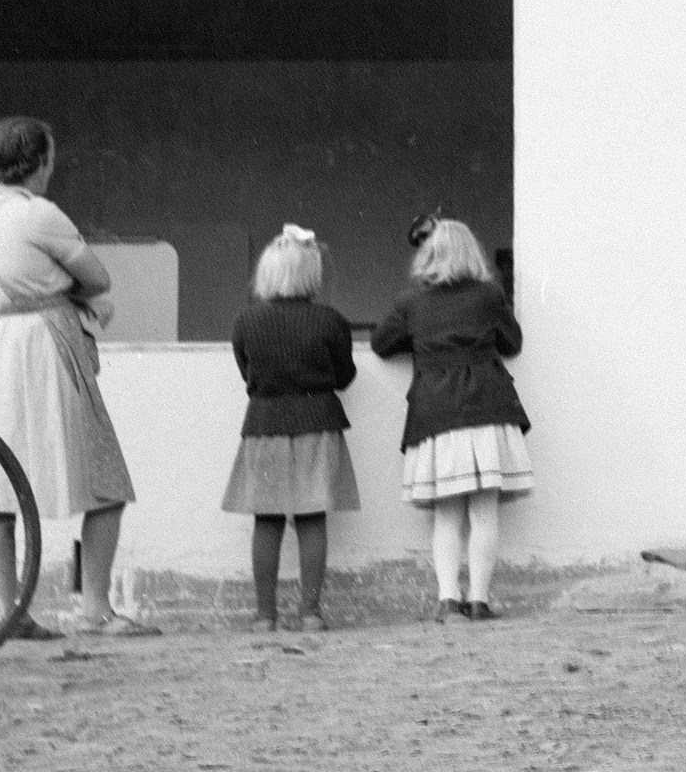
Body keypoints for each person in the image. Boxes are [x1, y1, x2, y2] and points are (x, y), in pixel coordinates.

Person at [0, 116, 154, 636]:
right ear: (40, 162)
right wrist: (67, 288)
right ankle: (95, 609)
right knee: (104, 479)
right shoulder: (37, 214)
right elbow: (98, 276)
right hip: (46, 346)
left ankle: (10, 615)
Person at [371, 213, 529, 622]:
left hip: (436, 408)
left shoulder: (411, 300)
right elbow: (512, 342)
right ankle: (479, 600)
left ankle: (447, 601)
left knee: (446, 515)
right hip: (488, 404)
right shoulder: (488, 294)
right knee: (483, 512)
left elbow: (382, 345)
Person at [222, 223, 361, 632]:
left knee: (266, 520)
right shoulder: (330, 320)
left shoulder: (246, 321)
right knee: (311, 518)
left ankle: (265, 616)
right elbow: (344, 375)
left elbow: (248, 374)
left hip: (264, 425)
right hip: (318, 422)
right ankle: (311, 614)